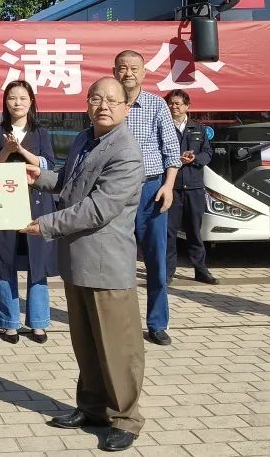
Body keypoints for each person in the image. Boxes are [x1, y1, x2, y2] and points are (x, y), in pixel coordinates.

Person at [25, 77, 147, 453]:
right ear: (87, 103)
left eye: (112, 100)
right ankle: (92, 407)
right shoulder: (84, 139)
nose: (103, 105)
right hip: (77, 260)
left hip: (107, 264)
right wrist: (39, 177)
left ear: (126, 107)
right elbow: (69, 182)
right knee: (87, 343)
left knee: (117, 347)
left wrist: (45, 224)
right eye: (96, 98)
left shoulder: (126, 151)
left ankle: (125, 418)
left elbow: (97, 209)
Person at [0, 79, 58, 344]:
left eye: (23, 98)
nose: (17, 103)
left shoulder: (40, 132)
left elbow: (48, 165)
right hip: (4, 205)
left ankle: (38, 322)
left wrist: (21, 150)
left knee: (38, 264)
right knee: (6, 261)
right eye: (12, 98)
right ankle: (9, 323)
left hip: (36, 203)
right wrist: (6, 150)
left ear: (31, 102)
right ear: (5, 102)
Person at [113, 50, 180, 346]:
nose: (128, 73)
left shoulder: (156, 105)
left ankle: (157, 323)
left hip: (151, 191)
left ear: (143, 73)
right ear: (114, 71)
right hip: (116, 192)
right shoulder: (108, 104)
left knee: (156, 260)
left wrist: (168, 186)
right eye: (122, 68)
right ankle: (121, 323)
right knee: (118, 261)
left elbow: (172, 151)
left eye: (134, 68)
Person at [164, 89, 218, 286]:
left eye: (178, 103)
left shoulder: (198, 128)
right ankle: (167, 272)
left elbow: (208, 153)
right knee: (169, 232)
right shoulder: (163, 126)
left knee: (194, 230)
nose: (174, 107)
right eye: (171, 103)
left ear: (187, 106)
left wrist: (195, 159)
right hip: (172, 187)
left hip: (194, 187)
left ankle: (201, 270)